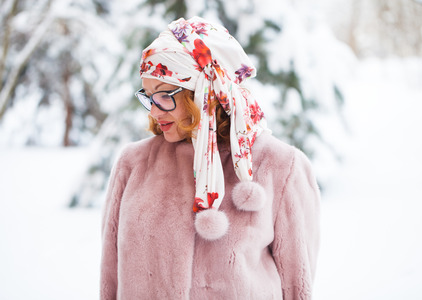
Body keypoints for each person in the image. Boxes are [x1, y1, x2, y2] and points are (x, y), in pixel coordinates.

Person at [100, 16, 320, 300]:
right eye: (149, 97)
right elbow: (110, 273)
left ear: (206, 94)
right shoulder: (133, 163)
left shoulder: (281, 166)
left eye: (165, 96)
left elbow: (297, 283)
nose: (153, 112)